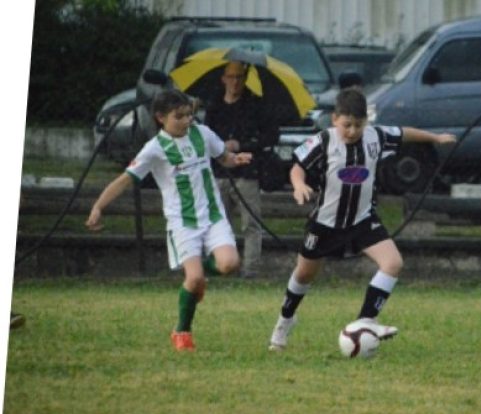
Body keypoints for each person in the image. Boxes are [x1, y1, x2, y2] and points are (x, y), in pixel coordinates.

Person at [267, 88, 456, 351]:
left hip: (362, 221)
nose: (352, 131)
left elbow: (405, 133)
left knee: (393, 263)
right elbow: (297, 167)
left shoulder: (375, 137)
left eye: (358, 124)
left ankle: (366, 321)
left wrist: (434, 138)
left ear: (366, 121)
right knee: (304, 273)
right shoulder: (324, 141)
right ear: (334, 120)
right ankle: (285, 321)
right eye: (347, 125)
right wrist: (298, 185)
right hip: (325, 224)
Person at [86, 89, 253, 352]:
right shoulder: (154, 149)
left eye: (189, 114)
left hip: (213, 215)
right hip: (182, 223)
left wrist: (236, 159)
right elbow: (125, 179)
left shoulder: (202, 133)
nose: (187, 121)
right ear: (160, 118)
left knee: (229, 263)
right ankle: (182, 331)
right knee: (195, 279)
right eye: (179, 116)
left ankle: (195, 279)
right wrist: (98, 206)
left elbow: (224, 158)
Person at [205, 61, 280, 279]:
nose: (235, 82)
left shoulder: (255, 105)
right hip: (220, 172)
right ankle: (221, 266)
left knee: (251, 224)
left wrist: (242, 145)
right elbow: (206, 137)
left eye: (239, 77)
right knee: (219, 224)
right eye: (231, 77)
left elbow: (271, 136)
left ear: (245, 79)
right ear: (224, 79)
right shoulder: (214, 106)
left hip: (247, 173)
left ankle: (251, 270)